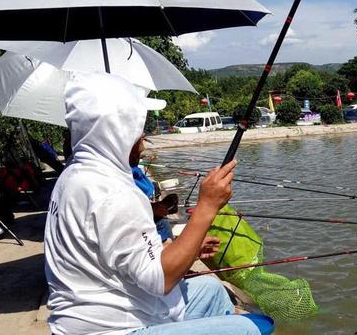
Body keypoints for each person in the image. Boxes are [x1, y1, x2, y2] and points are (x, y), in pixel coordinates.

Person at [44, 73, 259, 335]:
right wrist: (207, 206)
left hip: (88, 316)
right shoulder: (115, 193)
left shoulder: (74, 175)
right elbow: (161, 280)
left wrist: (188, 248)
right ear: (117, 131)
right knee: (249, 327)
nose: (143, 143)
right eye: (138, 132)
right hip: (112, 328)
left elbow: (124, 253)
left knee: (212, 291)